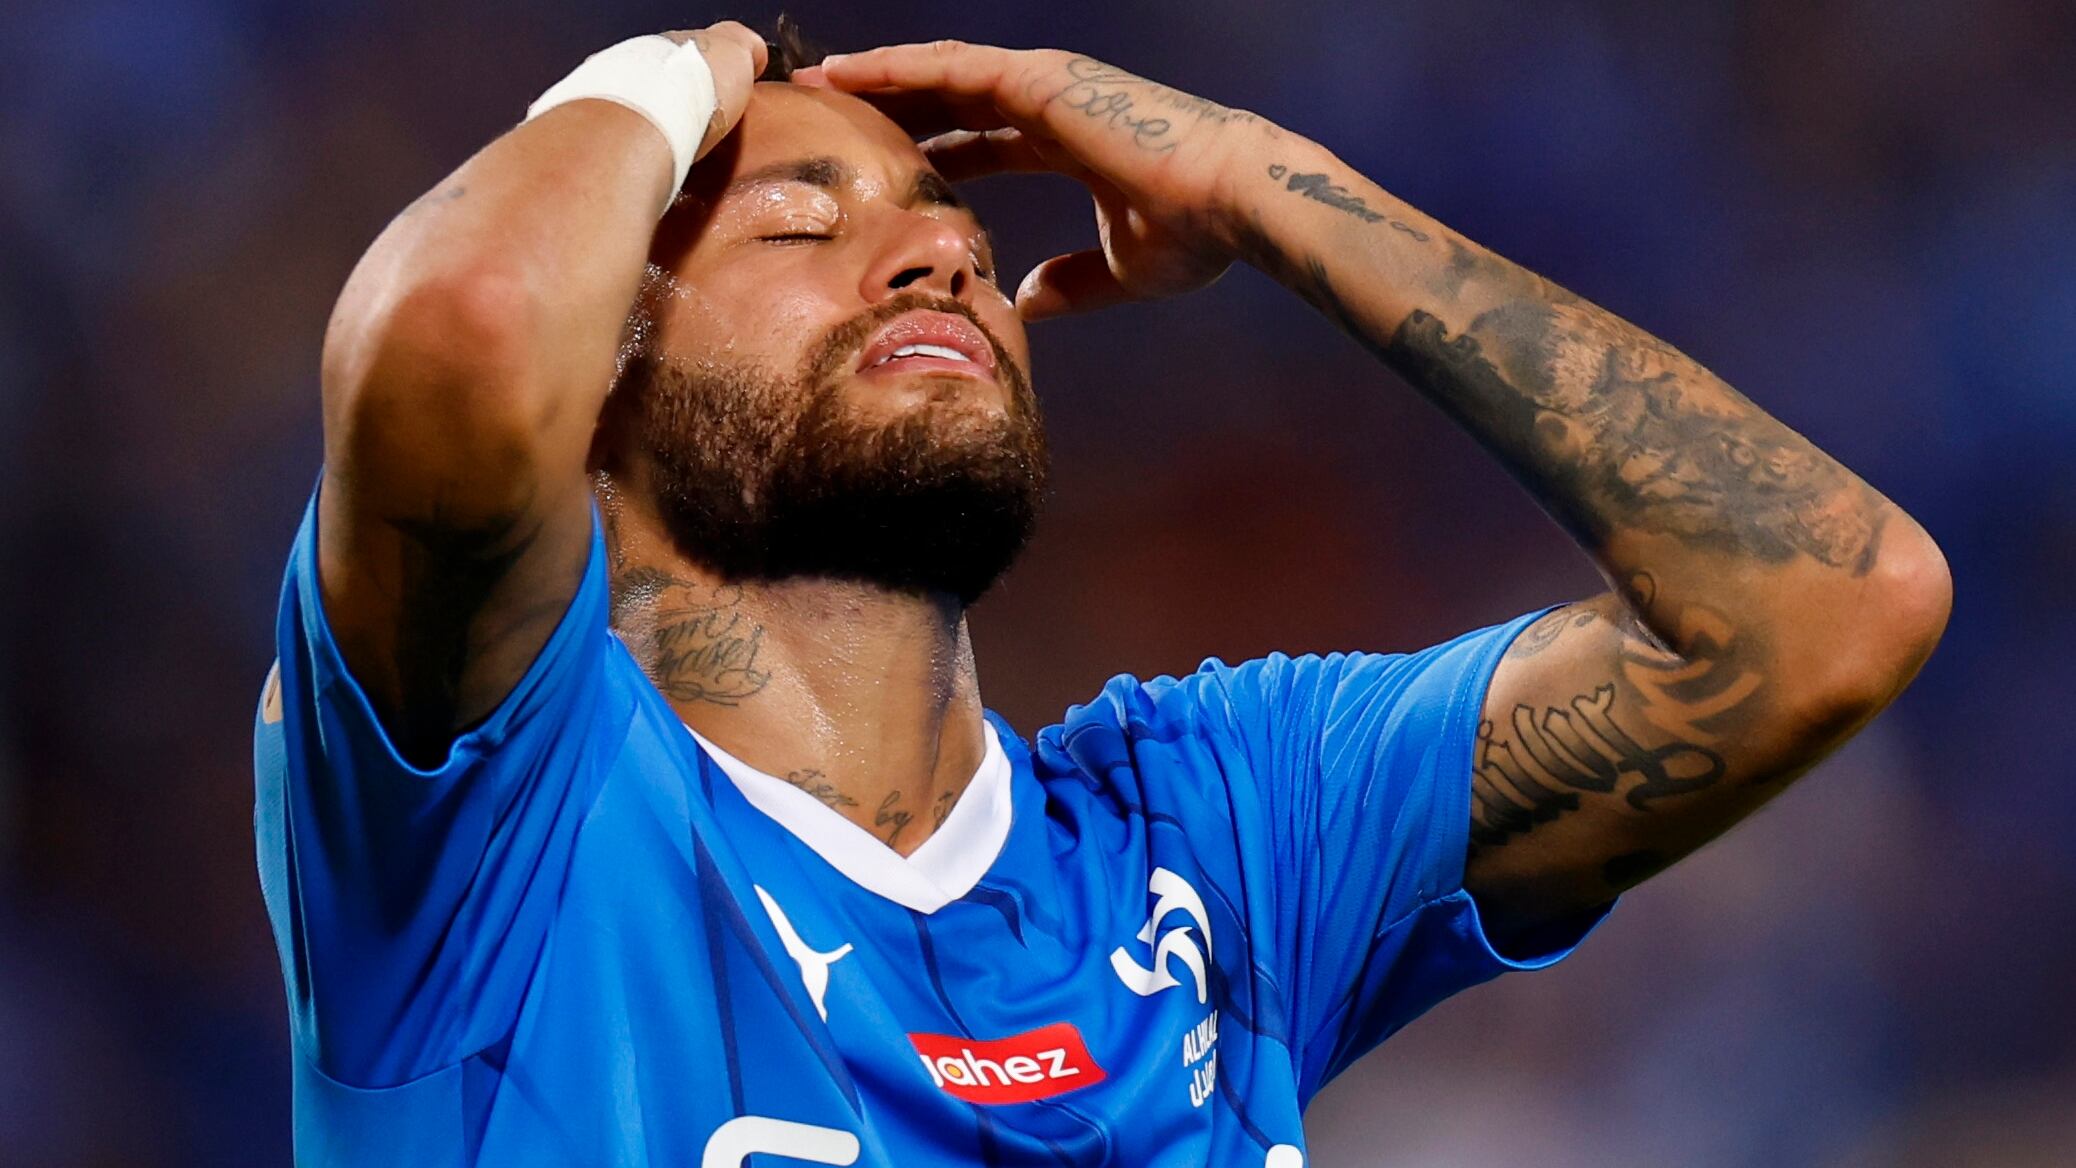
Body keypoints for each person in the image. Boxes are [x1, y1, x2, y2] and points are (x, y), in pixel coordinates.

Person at [252, 19, 1951, 1167]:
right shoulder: (496, 820)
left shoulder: (1214, 827)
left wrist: (1262, 184)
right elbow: (459, 338)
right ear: (600, 370)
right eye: (795, 225)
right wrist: (651, 77)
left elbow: (1827, 607)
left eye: (955, 234)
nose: (936, 254)